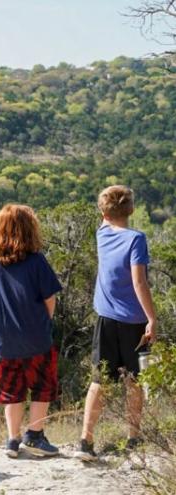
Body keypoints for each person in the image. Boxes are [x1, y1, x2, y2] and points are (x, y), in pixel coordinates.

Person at [0, 204, 62, 458]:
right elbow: (49, 298)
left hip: (4, 340)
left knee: (11, 390)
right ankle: (35, 435)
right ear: (29, 230)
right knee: (42, 386)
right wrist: (45, 321)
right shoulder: (36, 261)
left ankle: (12, 439)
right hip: (37, 338)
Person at [75, 185, 157, 462]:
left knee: (100, 380)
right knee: (134, 380)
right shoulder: (136, 239)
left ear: (103, 212)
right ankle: (133, 436)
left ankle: (86, 439)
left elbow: (107, 215)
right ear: (131, 210)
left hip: (106, 319)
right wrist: (152, 318)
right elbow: (139, 281)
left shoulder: (101, 234)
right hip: (133, 320)